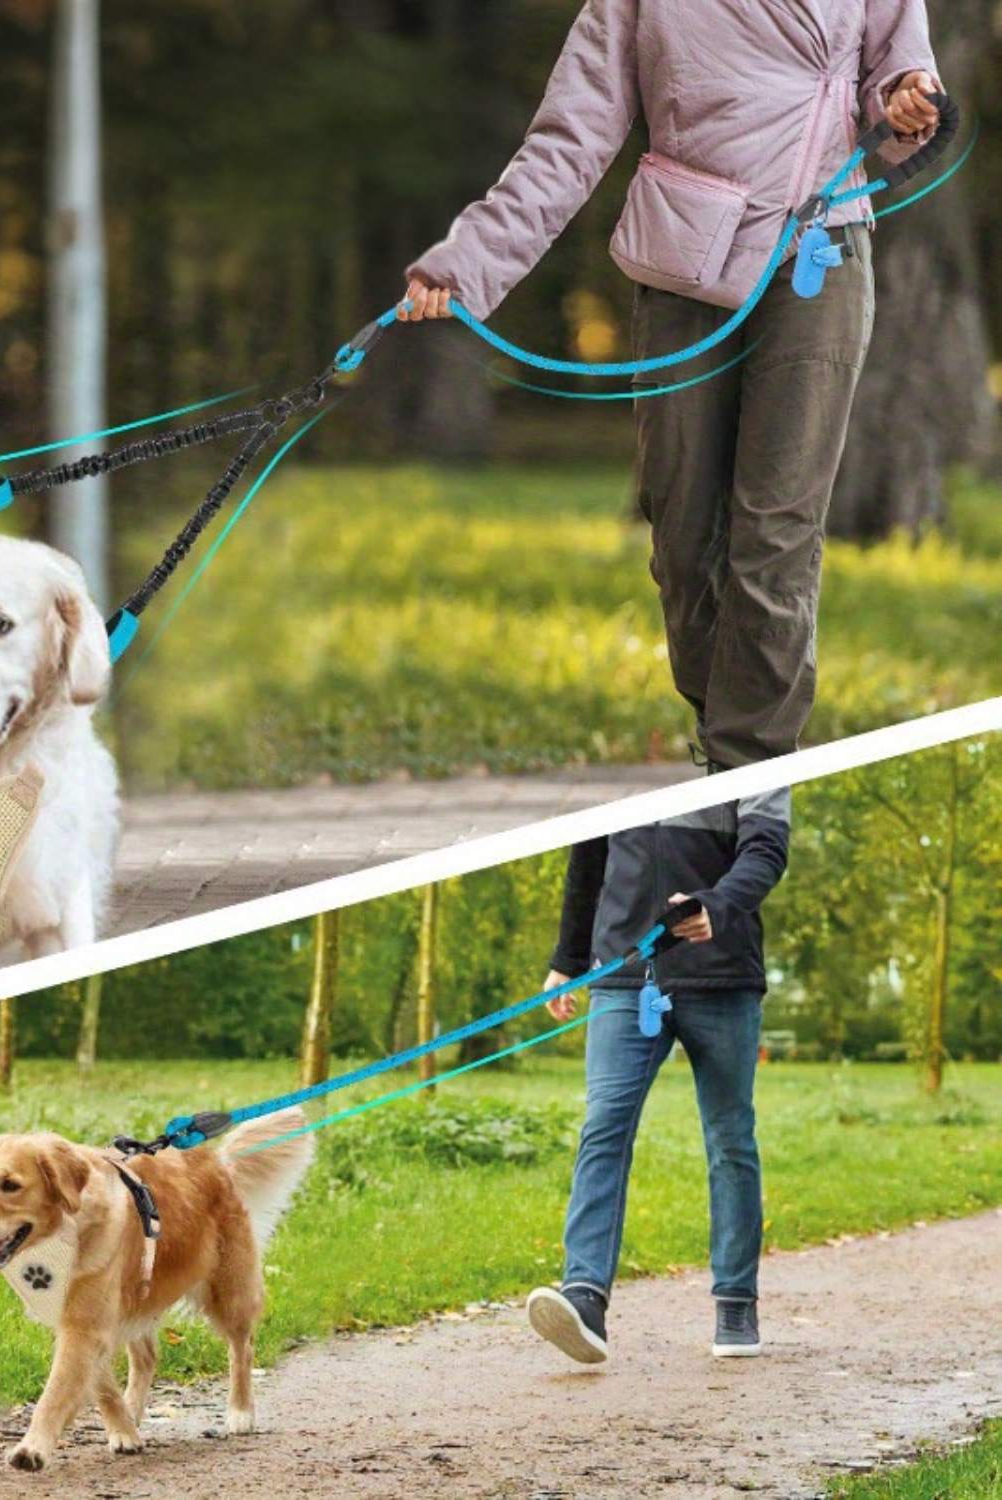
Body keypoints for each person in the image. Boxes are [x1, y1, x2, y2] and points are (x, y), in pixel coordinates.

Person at [400, 1, 940, 769]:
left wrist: (908, 99)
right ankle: (721, 725)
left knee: (776, 530)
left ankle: (745, 769)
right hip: (687, 256)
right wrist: (467, 263)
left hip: (820, 255)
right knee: (683, 531)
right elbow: (568, 139)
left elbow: (897, 85)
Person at [526, 789, 790, 1361]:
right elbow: (589, 854)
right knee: (605, 1125)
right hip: (626, 975)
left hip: (722, 977)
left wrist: (713, 906)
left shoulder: (751, 751)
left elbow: (767, 849)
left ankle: (736, 1303)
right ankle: (585, 1295)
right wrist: (568, 959)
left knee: (729, 1138)